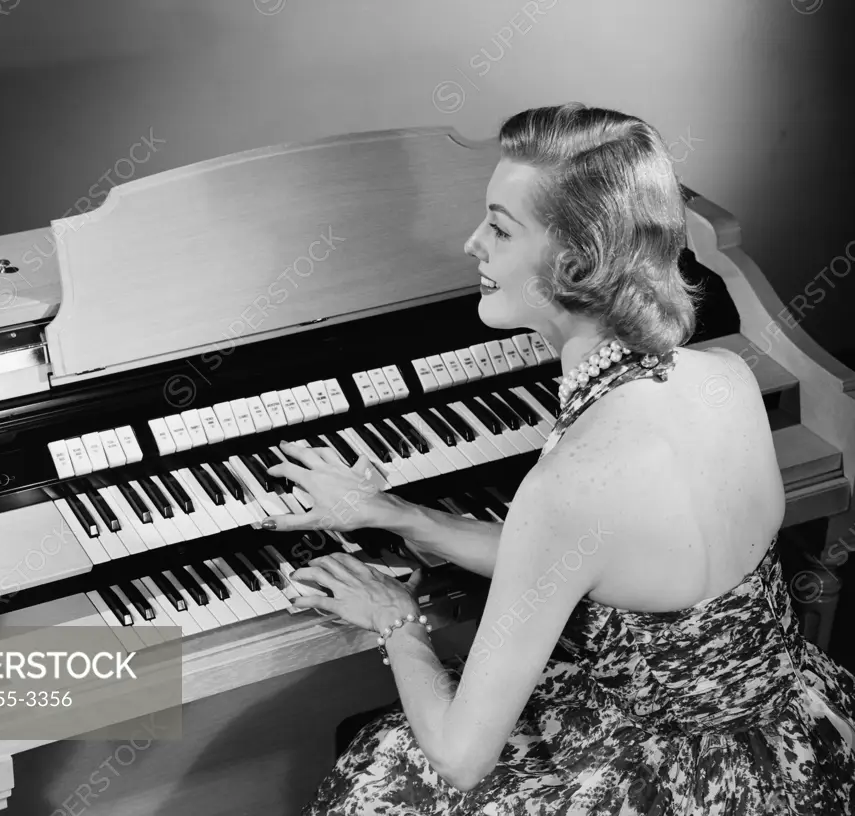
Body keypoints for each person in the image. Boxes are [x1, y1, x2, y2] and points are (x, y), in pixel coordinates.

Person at [257, 103, 855, 814]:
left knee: (382, 780)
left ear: (575, 261)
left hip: (667, 786)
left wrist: (393, 616)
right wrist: (392, 513)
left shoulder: (570, 484)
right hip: (781, 737)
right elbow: (586, 557)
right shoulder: (721, 378)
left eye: (499, 227)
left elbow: (458, 757)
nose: (470, 242)